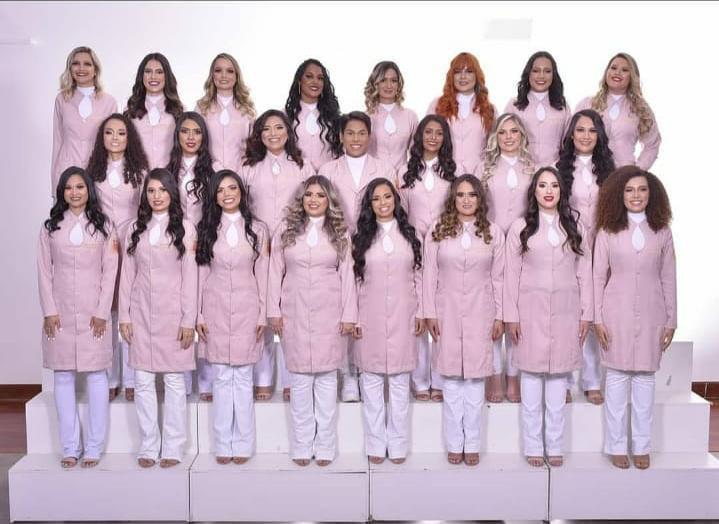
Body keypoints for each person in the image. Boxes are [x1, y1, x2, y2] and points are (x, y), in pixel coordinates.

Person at [504, 167, 592, 467]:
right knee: (531, 381)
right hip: (530, 310)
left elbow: (585, 273)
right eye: (542, 185)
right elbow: (511, 275)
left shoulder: (575, 226)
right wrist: (511, 316)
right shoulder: (521, 228)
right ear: (534, 192)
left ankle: (554, 445)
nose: (549, 191)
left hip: (567, 310)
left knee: (557, 383)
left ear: (562, 190)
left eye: (554, 185)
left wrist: (587, 313)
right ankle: (533, 446)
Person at [267, 175, 357, 466]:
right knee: (300, 382)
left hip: (330, 313)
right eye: (309, 195)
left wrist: (349, 315)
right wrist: (273, 310)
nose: (314, 200)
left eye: (320, 195)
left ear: (329, 200)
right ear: (301, 199)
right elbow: (274, 272)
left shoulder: (341, 233)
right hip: (294, 310)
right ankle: (302, 445)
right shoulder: (285, 231)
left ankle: (326, 445)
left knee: (327, 381)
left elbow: (348, 276)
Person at [593, 166, 676, 470]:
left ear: (652, 194)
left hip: (653, 312)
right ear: (620, 195)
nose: (636, 195)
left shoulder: (662, 231)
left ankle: (641, 445)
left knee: (644, 379)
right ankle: (616, 445)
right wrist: (597, 318)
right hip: (615, 311)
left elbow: (669, 276)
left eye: (642, 189)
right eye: (629, 190)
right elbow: (597, 276)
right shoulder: (607, 231)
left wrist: (671, 320)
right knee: (616, 377)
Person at [37, 166, 118, 468]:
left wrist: (102, 312)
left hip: (93, 314)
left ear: (89, 191)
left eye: (80, 187)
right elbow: (44, 271)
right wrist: (49, 310)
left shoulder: (104, 226)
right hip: (59, 315)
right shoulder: (50, 227)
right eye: (69, 188)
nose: (74, 192)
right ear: (62, 192)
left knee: (97, 375)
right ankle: (70, 447)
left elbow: (110, 272)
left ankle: (94, 447)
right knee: (63, 375)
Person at [118, 168, 198, 468]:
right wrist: (124, 315)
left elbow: (191, 278)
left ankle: (173, 446)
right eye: (151, 191)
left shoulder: (185, 229)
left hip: (173, 315)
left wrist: (188, 320)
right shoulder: (134, 228)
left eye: (162, 190)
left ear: (172, 193)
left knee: (175, 381)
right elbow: (127, 275)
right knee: (143, 380)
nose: (157, 196)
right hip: (140, 314)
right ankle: (149, 445)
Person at [424, 174, 505, 466]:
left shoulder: (493, 232)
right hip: (446, 310)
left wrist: (501, 315)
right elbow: (429, 273)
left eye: (472, 195)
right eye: (461, 195)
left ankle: (472, 443)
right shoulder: (438, 230)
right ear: (453, 199)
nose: (466, 200)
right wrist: (429, 311)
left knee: (474, 382)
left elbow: (500, 277)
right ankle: (454, 443)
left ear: (480, 199)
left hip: (481, 310)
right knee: (451, 382)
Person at [319, 111, 396, 401]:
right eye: (350, 133)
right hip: (337, 244)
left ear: (370, 136)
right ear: (341, 136)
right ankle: (348, 373)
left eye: (361, 133)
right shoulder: (328, 169)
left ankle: (365, 369)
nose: (355, 138)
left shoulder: (384, 168)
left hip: (372, 243)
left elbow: (391, 207)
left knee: (366, 308)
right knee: (342, 306)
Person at [196, 170, 269, 465]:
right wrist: (198, 312)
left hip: (247, 307)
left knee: (242, 377)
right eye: (221, 190)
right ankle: (222, 444)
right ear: (214, 196)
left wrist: (263, 312)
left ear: (241, 192)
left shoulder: (258, 230)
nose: (227, 194)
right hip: (214, 307)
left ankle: (243, 444)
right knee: (222, 378)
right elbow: (200, 274)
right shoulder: (206, 229)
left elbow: (263, 273)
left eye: (232, 188)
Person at [242, 109, 314, 402]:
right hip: (258, 247)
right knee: (260, 308)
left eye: (279, 128)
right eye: (266, 129)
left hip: (292, 243)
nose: (273, 134)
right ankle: (262, 377)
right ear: (259, 135)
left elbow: (313, 203)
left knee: (289, 313)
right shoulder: (249, 167)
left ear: (288, 132)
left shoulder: (302, 166)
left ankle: (290, 377)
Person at [351, 178, 423, 464]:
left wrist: (422, 311)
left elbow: (419, 275)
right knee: (371, 382)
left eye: (387, 197)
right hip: (368, 315)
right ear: (369, 205)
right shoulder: (360, 238)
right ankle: (375, 444)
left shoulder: (410, 235)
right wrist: (353, 316)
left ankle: (399, 445)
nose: (383, 203)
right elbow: (353, 280)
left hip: (404, 314)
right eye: (376, 199)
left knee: (400, 384)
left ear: (396, 200)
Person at [86, 113, 149, 401]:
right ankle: (110, 376)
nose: (115, 138)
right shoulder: (92, 172)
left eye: (121, 133)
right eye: (109, 132)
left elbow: (146, 210)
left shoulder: (140, 172)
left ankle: (132, 377)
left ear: (129, 138)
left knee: (130, 309)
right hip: (100, 246)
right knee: (107, 310)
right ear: (102, 137)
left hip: (131, 244)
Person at [556, 109, 616, 404]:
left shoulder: (610, 172)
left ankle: (592, 380)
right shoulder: (558, 169)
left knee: (595, 312)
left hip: (602, 247)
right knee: (571, 313)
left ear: (600, 136)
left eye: (592, 131)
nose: (585, 136)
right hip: (571, 246)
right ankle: (566, 378)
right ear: (571, 134)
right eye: (580, 130)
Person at [400, 114, 457, 402]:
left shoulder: (455, 171)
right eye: (428, 132)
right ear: (419, 136)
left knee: (441, 313)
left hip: (445, 245)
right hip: (414, 248)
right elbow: (401, 211)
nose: (433, 137)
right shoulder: (405, 171)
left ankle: (440, 378)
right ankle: (420, 380)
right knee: (417, 312)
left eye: (439, 133)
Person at [478, 113, 534, 403]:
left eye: (514, 131)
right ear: (495, 137)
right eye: (502, 132)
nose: (508, 137)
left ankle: (513, 375)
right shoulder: (484, 167)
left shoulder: (533, 168)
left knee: (516, 309)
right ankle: (494, 372)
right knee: (492, 307)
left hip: (523, 243)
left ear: (522, 135)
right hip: (490, 242)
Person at [167, 112, 215, 400]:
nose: (191, 137)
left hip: (206, 244)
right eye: (185, 131)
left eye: (197, 132)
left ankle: (207, 381)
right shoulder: (167, 169)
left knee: (205, 309)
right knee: (181, 307)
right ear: (177, 136)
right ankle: (182, 378)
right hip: (177, 245)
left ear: (203, 137)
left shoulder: (213, 170)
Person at [575, 52, 660, 170]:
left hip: (623, 175)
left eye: (624, 70)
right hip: (590, 173)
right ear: (606, 72)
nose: (617, 72)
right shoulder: (587, 104)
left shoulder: (641, 109)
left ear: (632, 77)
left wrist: (637, 170)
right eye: (613, 68)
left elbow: (652, 145)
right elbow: (570, 138)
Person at [51, 47, 117, 193]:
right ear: (70, 68)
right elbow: (57, 141)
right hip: (66, 171)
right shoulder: (62, 99)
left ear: (95, 70)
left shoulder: (109, 102)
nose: (81, 68)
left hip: (97, 173)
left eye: (87, 64)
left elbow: (114, 145)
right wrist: (55, 183)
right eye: (76, 63)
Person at [428, 52, 495, 174]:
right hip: (443, 174)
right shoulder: (437, 105)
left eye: (469, 71)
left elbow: (494, 147)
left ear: (477, 76)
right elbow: (426, 141)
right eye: (458, 72)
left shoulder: (489, 109)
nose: (463, 76)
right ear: (451, 76)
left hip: (478, 176)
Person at [504, 51, 571, 166]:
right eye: (536, 71)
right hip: (521, 169)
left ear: (553, 75)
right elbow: (503, 139)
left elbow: (569, 142)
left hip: (555, 170)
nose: (541, 76)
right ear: (528, 73)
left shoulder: (562, 106)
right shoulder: (514, 105)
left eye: (547, 71)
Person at [195, 52, 255, 172]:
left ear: (237, 76)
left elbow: (254, 149)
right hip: (209, 175)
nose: (224, 75)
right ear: (212, 75)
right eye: (218, 70)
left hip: (241, 176)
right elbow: (196, 145)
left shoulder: (248, 110)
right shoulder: (201, 108)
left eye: (230, 71)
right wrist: (213, 168)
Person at [124, 52, 184, 169]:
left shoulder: (179, 110)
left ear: (167, 76)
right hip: (138, 176)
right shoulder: (130, 110)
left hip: (168, 176)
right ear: (141, 76)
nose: (153, 77)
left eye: (159, 72)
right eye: (148, 71)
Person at [285, 58, 342, 171]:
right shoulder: (286, 115)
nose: (315, 81)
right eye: (309, 76)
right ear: (299, 81)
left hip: (329, 178)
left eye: (320, 78)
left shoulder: (334, 116)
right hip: (296, 177)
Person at [363, 61, 418, 171]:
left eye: (393, 81)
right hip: (373, 175)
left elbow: (416, 153)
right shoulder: (366, 117)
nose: (389, 86)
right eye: (383, 80)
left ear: (398, 84)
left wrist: (405, 174)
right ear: (375, 83)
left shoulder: (410, 116)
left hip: (402, 177)